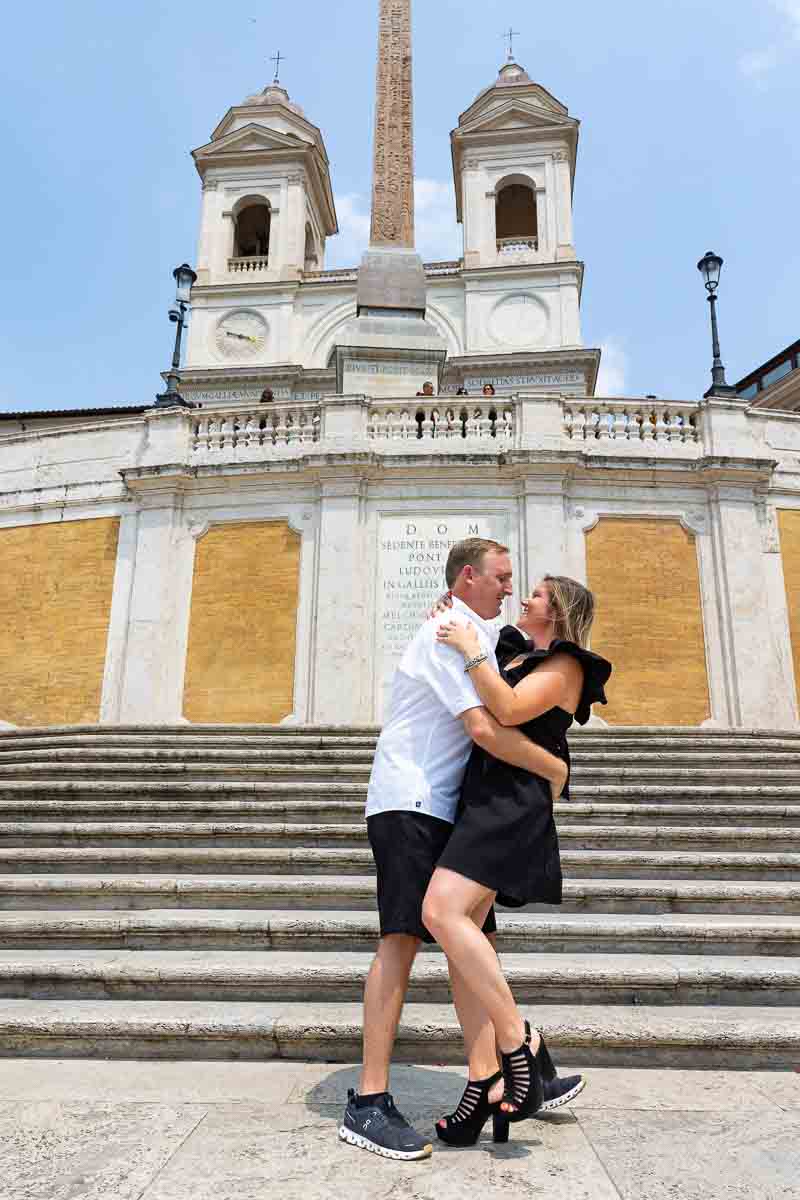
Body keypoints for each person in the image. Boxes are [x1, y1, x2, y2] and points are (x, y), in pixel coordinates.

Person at [339, 540, 569, 1162]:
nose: (508, 588)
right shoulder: (451, 629)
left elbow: (512, 673)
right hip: (411, 800)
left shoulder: (473, 631)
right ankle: (368, 1100)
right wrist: (554, 767)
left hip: (447, 809)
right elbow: (483, 727)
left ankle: (500, 1071)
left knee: (475, 945)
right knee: (402, 940)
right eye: (500, 577)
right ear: (468, 578)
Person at [422, 576, 612, 1134]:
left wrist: (467, 645)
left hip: (512, 804)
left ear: (557, 611)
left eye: (535, 595)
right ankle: (483, 1085)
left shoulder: (568, 666)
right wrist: (451, 616)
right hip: (481, 796)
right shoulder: (512, 650)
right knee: (465, 949)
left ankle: (518, 1043)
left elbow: (503, 709)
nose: (524, 599)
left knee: (440, 913)